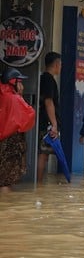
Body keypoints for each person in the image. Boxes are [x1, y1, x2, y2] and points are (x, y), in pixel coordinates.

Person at [0, 68, 36, 192]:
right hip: (10, 142)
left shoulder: (3, 96)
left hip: (3, 141)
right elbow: (29, 115)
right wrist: (19, 96)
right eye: (20, 82)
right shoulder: (14, 98)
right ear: (13, 82)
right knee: (6, 179)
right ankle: (9, 207)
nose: (22, 86)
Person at [37, 51, 62, 183]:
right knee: (43, 154)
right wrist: (54, 124)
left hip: (43, 121)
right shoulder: (49, 80)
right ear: (56, 64)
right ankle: (38, 184)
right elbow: (49, 102)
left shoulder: (43, 78)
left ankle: (39, 185)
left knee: (44, 154)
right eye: (60, 64)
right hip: (46, 123)